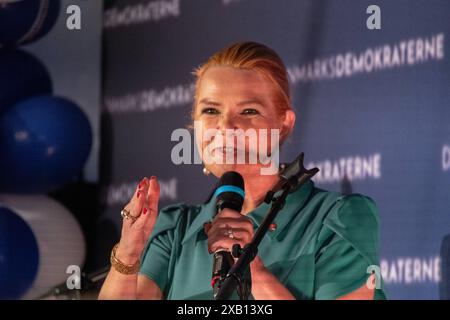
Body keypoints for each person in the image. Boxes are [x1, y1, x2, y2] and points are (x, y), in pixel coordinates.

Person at [99, 42, 386, 300]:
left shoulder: (338, 218)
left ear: (283, 124)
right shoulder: (175, 229)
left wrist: (254, 270)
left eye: (248, 112)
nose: (225, 128)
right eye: (210, 111)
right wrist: (128, 253)